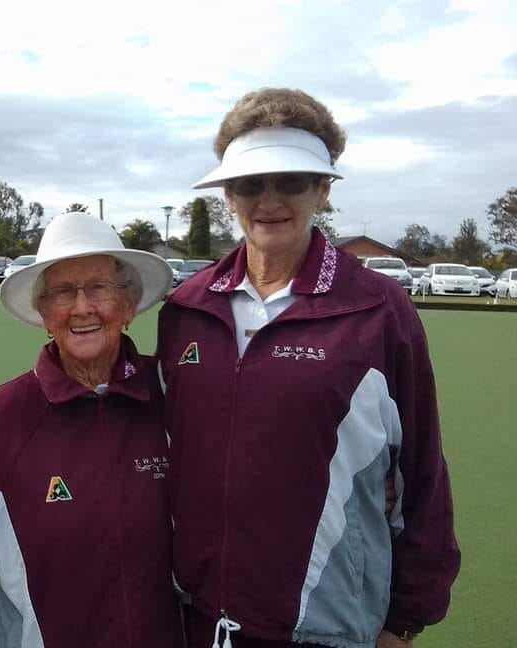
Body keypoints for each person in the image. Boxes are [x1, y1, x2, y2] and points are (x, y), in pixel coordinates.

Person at [155, 88, 460, 648]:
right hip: (196, 619)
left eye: (291, 180)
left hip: (328, 627)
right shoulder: (186, 309)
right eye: (250, 183)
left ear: (323, 189)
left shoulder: (378, 307)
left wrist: (403, 621)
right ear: (228, 195)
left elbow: (421, 475)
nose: (269, 199)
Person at [0, 210, 181, 647]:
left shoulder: (172, 397)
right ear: (45, 315)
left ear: (128, 306)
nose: (82, 307)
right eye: (64, 292)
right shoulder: (4, 415)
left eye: (99, 288)